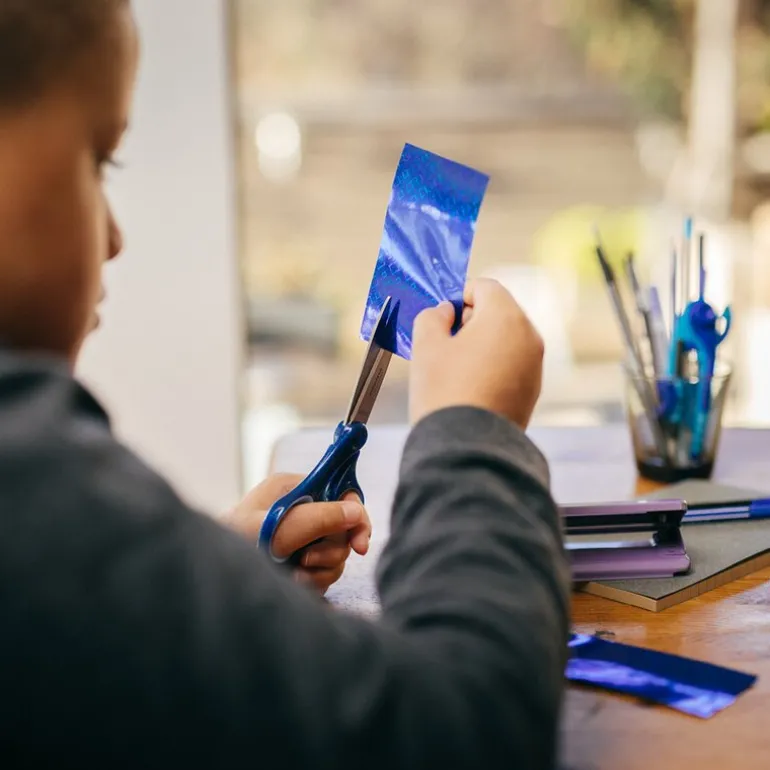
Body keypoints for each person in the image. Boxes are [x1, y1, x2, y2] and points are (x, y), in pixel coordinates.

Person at [0, 2, 571, 769]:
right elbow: (468, 728)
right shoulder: (28, 488)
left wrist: (201, 583)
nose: (113, 235)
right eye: (99, 159)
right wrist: (475, 437)